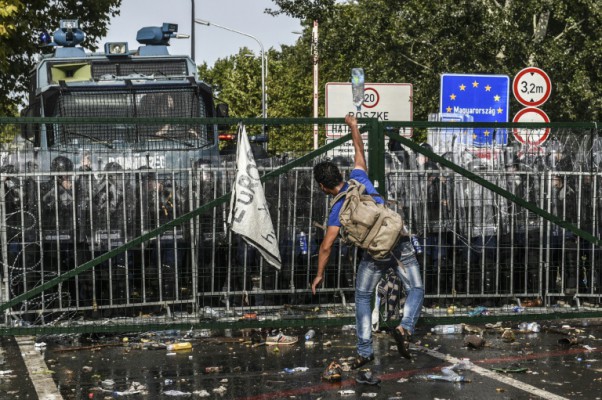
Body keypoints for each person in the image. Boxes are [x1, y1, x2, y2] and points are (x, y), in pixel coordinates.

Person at [311, 114, 424, 384]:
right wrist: (353, 126)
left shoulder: (337, 208)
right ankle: (405, 327)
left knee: (363, 296)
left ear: (323, 187)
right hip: (399, 243)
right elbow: (360, 150)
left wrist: (318, 274)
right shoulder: (359, 179)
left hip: (375, 254)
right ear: (341, 174)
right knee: (416, 288)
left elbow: (327, 247)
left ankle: (364, 350)